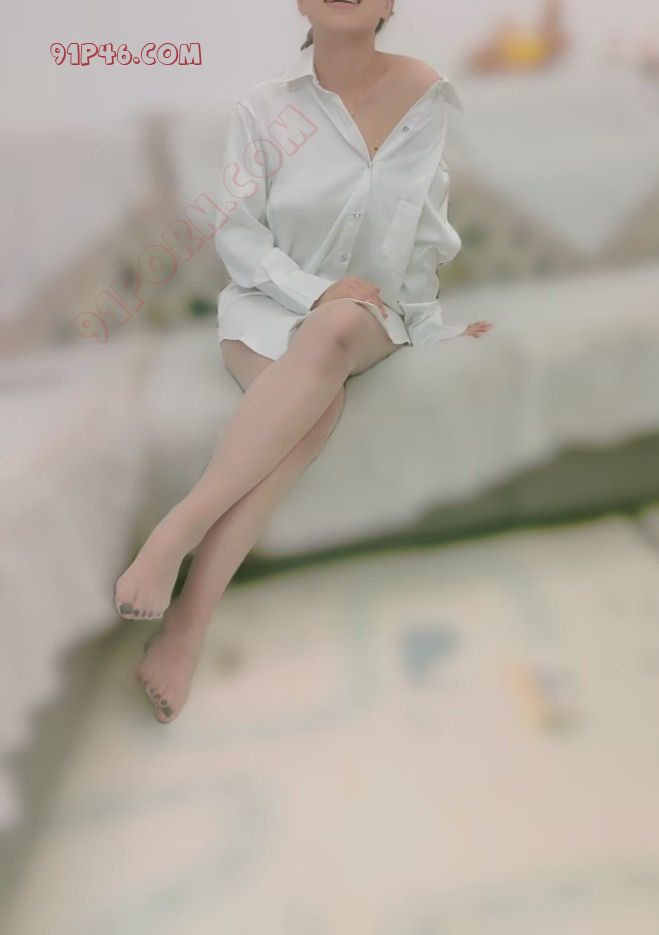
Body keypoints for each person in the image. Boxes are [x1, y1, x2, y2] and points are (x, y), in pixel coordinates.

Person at [113, 0, 492, 723]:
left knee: (337, 328)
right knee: (316, 411)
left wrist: (430, 323)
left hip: (367, 314)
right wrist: (314, 291)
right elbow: (240, 236)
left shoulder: (425, 95)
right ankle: (187, 625)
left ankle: (176, 533)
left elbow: (422, 228)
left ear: (390, 4)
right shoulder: (263, 109)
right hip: (264, 307)